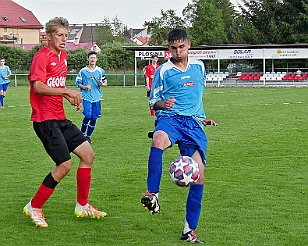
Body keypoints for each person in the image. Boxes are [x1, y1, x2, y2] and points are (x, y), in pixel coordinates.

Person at [24, 17, 106, 228]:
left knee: (88, 154)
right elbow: (38, 88)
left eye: (65, 35)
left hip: (59, 117)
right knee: (64, 165)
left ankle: (82, 205)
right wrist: (66, 91)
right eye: (59, 35)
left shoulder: (63, 56)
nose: (63, 39)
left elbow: (56, 87)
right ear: (48, 36)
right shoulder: (41, 57)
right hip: (45, 120)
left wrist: (70, 97)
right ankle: (34, 206)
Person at [140, 29, 217, 244]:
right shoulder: (163, 71)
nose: (177, 51)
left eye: (181, 47)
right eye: (173, 48)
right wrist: (163, 104)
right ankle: (152, 193)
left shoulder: (199, 67)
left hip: (192, 124)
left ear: (189, 45)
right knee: (158, 141)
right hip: (171, 119)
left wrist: (202, 119)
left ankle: (189, 230)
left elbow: (197, 97)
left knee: (199, 175)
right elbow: (153, 101)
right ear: (168, 49)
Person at [75, 51, 107, 144]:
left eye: (94, 57)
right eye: (91, 57)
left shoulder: (100, 71)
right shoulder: (83, 71)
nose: (92, 59)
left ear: (96, 59)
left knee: (94, 118)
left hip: (96, 97)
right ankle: (81, 134)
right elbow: (78, 83)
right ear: (88, 59)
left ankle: (88, 137)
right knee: (88, 115)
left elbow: (105, 83)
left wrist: (102, 84)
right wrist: (84, 87)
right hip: (86, 96)